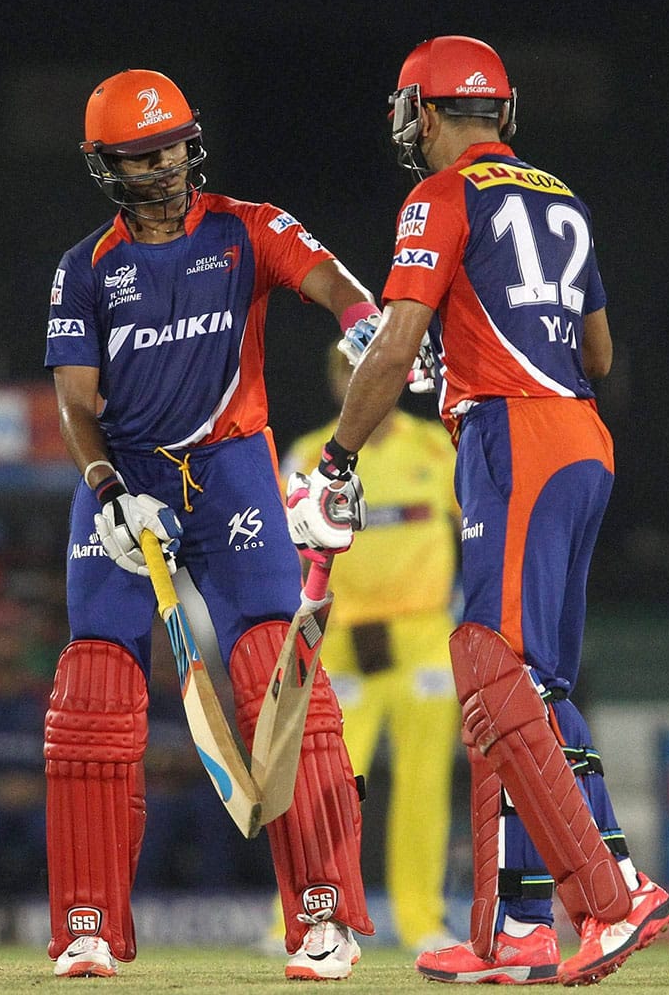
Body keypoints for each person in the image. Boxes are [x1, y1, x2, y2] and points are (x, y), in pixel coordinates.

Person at [285, 36, 669, 987]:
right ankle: (519, 929)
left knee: (496, 671)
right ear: (502, 110)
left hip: (516, 439)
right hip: (583, 442)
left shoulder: (440, 195)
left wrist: (339, 453)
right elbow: (596, 355)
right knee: (522, 688)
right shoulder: (564, 198)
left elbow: (390, 346)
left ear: (422, 113)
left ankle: (617, 889)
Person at [43, 68, 380, 980]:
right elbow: (78, 404)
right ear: (104, 165)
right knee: (94, 694)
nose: (163, 168)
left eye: (171, 147)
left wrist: (363, 323)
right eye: (139, 155)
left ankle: (322, 916)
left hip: (231, 472)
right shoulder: (85, 269)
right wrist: (109, 486)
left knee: (278, 673)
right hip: (124, 482)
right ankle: (87, 924)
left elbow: (333, 283)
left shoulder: (247, 226)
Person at [274, 341, 460, 952]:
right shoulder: (307, 455)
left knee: (423, 785)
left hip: (425, 640)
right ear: (334, 382)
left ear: (398, 377)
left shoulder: (438, 447)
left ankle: (421, 920)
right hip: (342, 642)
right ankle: (307, 920)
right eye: (349, 371)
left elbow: (480, 532)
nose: (362, 380)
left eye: (372, 368)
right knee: (327, 788)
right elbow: (282, 555)